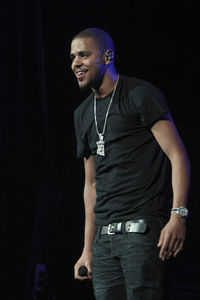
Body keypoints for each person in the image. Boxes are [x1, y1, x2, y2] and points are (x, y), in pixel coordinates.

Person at [71, 27, 191, 300]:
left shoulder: (139, 94)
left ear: (107, 56)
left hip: (142, 234)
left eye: (83, 54)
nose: (75, 63)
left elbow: (178, 155)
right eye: (72, 57)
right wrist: (87, 248)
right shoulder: (81, 114)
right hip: (103, 242)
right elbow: (91, 185)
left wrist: (178, 215)